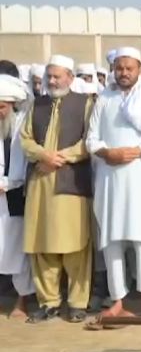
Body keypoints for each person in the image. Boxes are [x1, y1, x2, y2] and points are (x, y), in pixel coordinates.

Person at [86, 47, 141, 323]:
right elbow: (91, 140)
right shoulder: (104, 99)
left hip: (140, 178)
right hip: (109, 179)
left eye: (128, 68)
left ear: (139, 70)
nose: (123, 73)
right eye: (119, 68)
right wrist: (109, 154)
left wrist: (130, 153)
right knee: (112, 242)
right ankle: (118, 301)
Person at [20, 55, 94, 324]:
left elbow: (89, 141)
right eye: (49, 76)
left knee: (75, 244)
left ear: (70, 78)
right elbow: (25, 139)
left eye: (57, 76)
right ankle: (48, 301)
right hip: (41, 182)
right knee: (43, 245)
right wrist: (42, 155)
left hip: (70, 181)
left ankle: (77, 302)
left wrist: (58, 158)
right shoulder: (36, 105)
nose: (51, 81)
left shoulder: (85, 104)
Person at [0, 75, 34, 318]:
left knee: (17, 251)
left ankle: (22, 300)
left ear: (13, 105)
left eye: (1, 106)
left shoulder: (23, 126)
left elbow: (24, 167)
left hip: (15, 198)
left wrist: (6, 183)